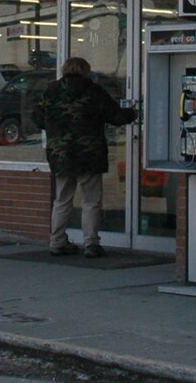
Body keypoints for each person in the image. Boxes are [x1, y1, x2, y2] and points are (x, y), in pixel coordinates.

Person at [31, 56, 136, 258]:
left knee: (62, 199)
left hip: (61, 155)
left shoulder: (51, 91)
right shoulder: (94, 91)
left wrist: (56, 129)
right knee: (91, 200)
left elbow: (37, 118)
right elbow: (116, 117)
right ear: (86, 70)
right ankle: (91, 243)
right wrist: (134, 113)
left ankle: (57, 242)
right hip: (90, 154)